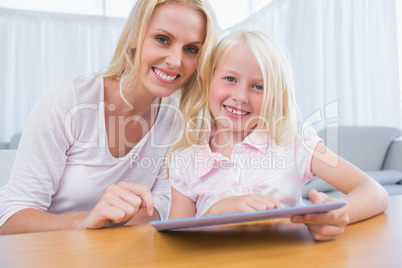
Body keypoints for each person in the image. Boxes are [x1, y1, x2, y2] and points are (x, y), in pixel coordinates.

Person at [0, 0, 218, 235]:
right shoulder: (69, 99)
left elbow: (162, 204)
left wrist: (130, 220)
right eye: (162, 39)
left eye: (191, 49)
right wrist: (86, 221)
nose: (176, 61)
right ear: (134, 37)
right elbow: (10, 218)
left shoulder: (177, 120)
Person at [168, 30, 388, 241]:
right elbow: (175, 242)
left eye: (258, 86)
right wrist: (214, 214)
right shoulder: (185, 162)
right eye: (230, 79)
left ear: (275, 95)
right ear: (208, 81)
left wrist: (339, 213)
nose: (240, 96)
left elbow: (374, 192)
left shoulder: (293, 140)